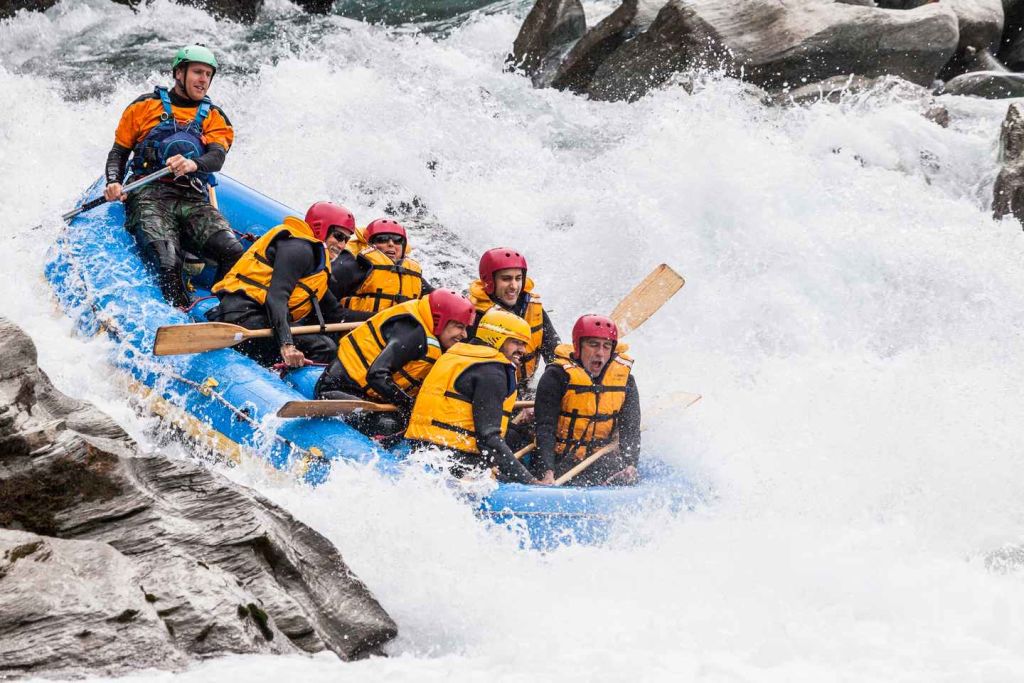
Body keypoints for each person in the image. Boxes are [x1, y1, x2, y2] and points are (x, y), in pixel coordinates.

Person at [103, 44, 245, 308]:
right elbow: (119, 152)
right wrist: (113, 181)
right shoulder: (144, 106)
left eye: (208, 74)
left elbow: (216, 157)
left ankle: (221, 312)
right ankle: (178, 310)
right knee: (168, 260)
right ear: (179, 73)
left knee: (233, 250)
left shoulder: (214, 117)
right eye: (198, 72)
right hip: (148, 193)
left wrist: (193, 164)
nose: (203, 80)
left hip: (191, 196)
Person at [206, 202, 357, 368]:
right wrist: (287, 345)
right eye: (338, 236)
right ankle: (277, 375)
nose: (342, 245)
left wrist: (379, 318)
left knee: (327, 343)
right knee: (325, 347)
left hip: (261, 318)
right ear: (321, 228)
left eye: (346, 240)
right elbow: (276, 298)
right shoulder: (299, 249)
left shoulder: (317, 264)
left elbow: (336, 314)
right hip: (242, 316)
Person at [405, 309, 541, 484]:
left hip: (423, 453)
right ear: (496, 337)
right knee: (512, 478)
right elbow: (489, 439)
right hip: (454, 460)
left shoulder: (456, 355)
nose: (523, 350)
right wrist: (530, 481)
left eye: (523, 344)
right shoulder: (492, 372)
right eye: (516, 342)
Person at [314, 289, 476, 436]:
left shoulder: (433, 338)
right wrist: (409, 405)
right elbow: (376, 375)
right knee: (391, 424)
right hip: (337, 388)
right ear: (440, 320)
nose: (464, 335)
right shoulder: (412, 333)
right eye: (459, 326)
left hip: (369, 395)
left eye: (465, 328)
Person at [532, 315, 641, 487]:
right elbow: (545, 428)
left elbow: (631, 429)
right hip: (560, 459)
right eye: (593, 344)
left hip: (598, 459)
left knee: (620, 472)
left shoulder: (626, 380)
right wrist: (547, 471)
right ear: (578, 346)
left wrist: (630, 464)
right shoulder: (556, 376)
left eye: (606, 346)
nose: (600, 353)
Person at [468, 248, 559, 393]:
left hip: (524, 389)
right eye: (506, 279)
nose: (514, 286)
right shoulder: (475, 315)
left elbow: (554, 353)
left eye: (518, 278)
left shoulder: (533, 308)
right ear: (489, 281)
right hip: (489, 389)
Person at [329, 218, 434, 314]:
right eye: (382, 239)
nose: (391, 244)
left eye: (398, 240)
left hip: (402, 328)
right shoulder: (354, 265)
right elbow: (326, 304)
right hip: (359, 327)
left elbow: (436, 301)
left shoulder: (413, 274)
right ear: (369, 245)